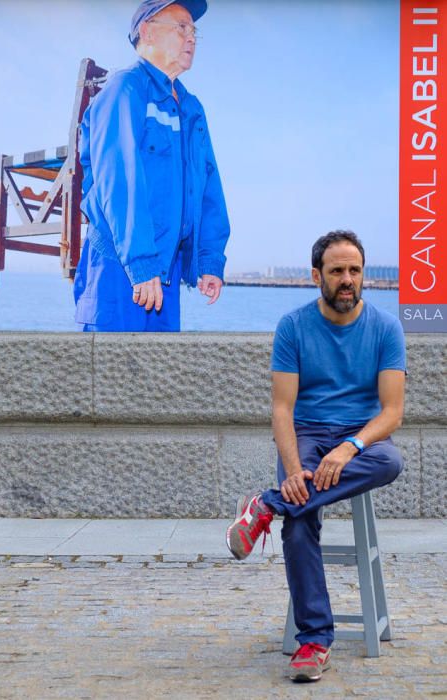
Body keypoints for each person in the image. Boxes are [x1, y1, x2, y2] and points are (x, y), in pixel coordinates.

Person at [225, 230, 406, 683]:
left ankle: (267, 505)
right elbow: (282, 409)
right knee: (302, 515)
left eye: (355, 271)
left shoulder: (386, 328)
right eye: (337, 271)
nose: (348, 280)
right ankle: (314, 641)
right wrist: (292, 469)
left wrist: (350, 447)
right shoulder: (293, 326)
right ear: (316, 276)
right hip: (306, 431)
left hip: (359, 437)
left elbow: (392, 413)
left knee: (390, 461)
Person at [73, 0, 230, 331]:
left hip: (165, 271)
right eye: (181, 27)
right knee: (109, 379)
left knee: (158, 381)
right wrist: (141, 264)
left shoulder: (191, 108)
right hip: (120, 266)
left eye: (194, 31)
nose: (191, 38)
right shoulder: (125, 89)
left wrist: (209, 259)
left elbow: (208, 187)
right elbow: (119, 179)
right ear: (147, 31)